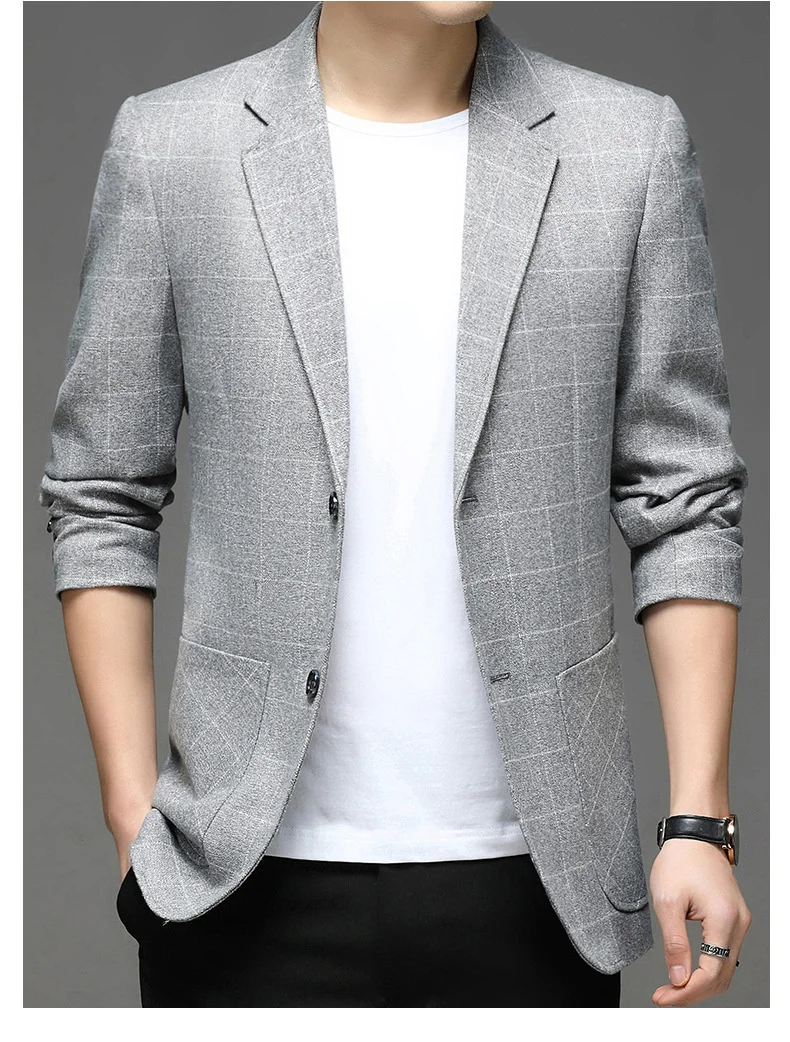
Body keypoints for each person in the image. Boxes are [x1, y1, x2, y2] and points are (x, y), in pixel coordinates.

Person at [39, 0, 752, 1008]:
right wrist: (131, 811)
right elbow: (102, 490)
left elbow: (683, 498)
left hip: (542, 883)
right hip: (236, 875)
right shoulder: (174, 149)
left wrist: (699, 822)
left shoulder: (626, 147)